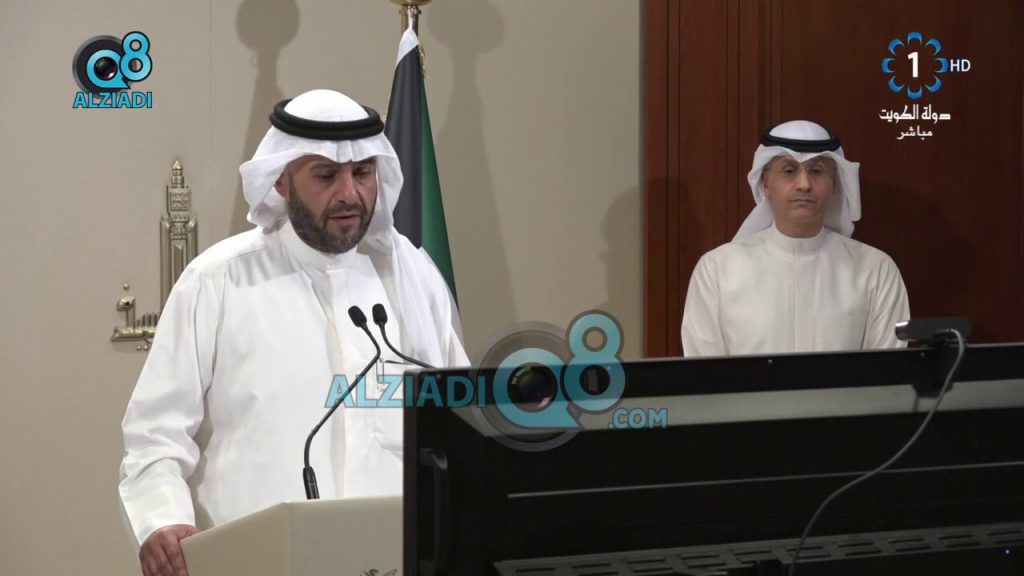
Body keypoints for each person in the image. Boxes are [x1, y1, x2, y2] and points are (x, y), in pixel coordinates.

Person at [118, 89, 468, 576]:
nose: (350, 194)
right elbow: (155, 434)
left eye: (363, 173)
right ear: (281, 180)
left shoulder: (412, 278)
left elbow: (459, 423)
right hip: (256, 563)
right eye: (326, 176)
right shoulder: (219, 281)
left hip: (398, 558)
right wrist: (162, 519)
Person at [680, 120, 909, 356]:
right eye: (789, 171)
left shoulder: (875, 270)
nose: (804, 185)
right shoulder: (717, 270)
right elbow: (705, 371)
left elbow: (887, 371)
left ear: (834, 184)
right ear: (766, 183)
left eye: (816, 171)